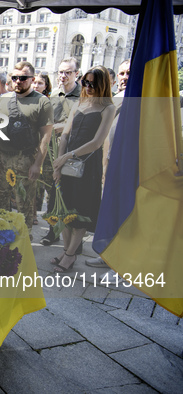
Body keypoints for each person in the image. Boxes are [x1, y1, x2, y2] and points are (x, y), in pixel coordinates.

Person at [51, 66, 116, 273]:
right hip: (66, 163)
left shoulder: (108, 108)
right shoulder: (80, 102)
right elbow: (66, 135)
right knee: (63, 209)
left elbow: (97, 142)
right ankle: (67, 250)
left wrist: (67, 156)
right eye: (85, 82)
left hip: (87, 166)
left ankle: (70, 255)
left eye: (92, 83)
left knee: (80, 212)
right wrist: (60, 160)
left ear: (103, 84)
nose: (88, 87)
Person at [0, 61, 53, 236]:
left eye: (23, 78)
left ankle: (24, 240)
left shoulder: (42, 102)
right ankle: (0, 237)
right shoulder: (3, 99)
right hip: (2, 157)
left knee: (24, 204)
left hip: (26, 159)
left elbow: (45, 137)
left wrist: (37, 164)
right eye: (15, 77)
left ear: (32, 79)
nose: (18, 81)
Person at [86, 59, 130, 269]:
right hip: (110, 163)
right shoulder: (114, 101)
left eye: (130, 73)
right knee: (110, 211)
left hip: (132, 166)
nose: (124, 77)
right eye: (121, 73)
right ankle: (109, 255)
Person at [41, 57, 83, 246]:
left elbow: (82, 122)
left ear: (77, 74)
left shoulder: (83, 94)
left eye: (68, 72)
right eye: (61, 72)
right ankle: (53, 231)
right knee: (52, 192)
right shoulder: (55, 93)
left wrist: (58, 126)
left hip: (71, 151)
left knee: (70, 195)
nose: (63, 76)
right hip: (52, 150)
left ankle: (76, 239)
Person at [31, 71, 52, 224]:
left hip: (45, 149)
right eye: (34, 82)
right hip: (30, 147)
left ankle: (42, 216)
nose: (36, 85)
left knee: (43, 185)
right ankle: (32, 214)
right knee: (32, 184)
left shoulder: (46, 102)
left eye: (40, 83)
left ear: (46, 86)